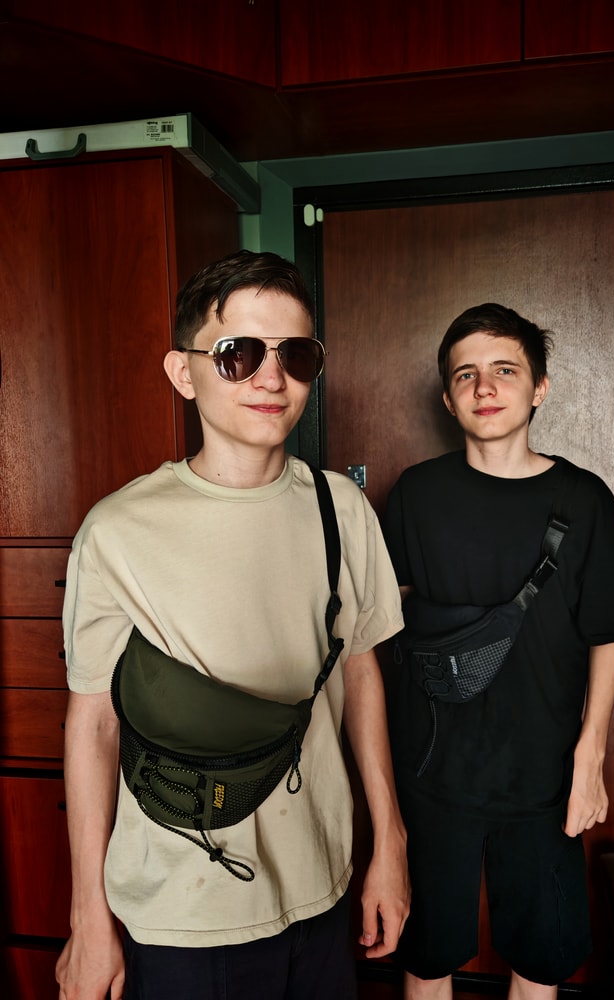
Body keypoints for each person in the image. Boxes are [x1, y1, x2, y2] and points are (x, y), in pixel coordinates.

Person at [55, 249, 410, 1000]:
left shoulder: (341, 509)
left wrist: (391, 843)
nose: (271, 378)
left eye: (296, 355)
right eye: (237, 353)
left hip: (320, 885)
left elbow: (360, 673)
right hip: (182, 912)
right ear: (183, 373)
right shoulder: (117, 530)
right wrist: (89, 919)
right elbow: (94, 724)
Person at [382, 303, 614, 1000]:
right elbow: (387, 624)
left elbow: (610, 630)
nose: (484, 387)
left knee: (541, 960)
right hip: (432, 769)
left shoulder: (583, 498)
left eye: (505, 370)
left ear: (539, 388)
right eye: (465, 374)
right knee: (428, 955)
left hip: (542, 773)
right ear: (448, 399)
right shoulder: (416, 493)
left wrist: (590, 758)